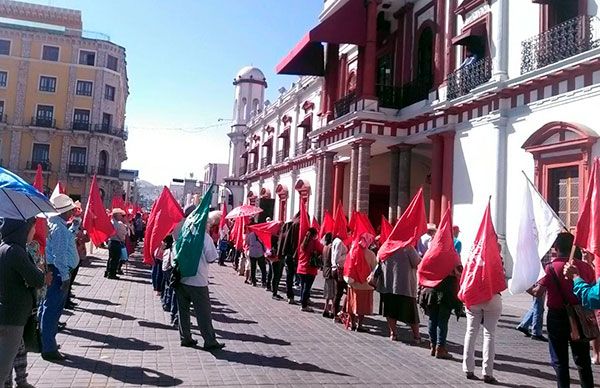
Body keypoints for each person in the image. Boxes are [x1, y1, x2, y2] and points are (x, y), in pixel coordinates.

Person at [537, 233, 595, 387]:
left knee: (560, 361)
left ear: (556, 248)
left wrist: (522, 285)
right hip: (580, 315)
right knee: (583, 360)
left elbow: (538, 292)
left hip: (557, 317)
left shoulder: (550, 268)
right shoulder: (585, 267)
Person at [0, 218, 46, 382]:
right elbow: (36, 279)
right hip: (13, 316)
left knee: (10, 356)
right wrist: (41, 273)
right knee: (4, 364)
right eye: (32, 228)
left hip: (9, 313)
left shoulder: (6, 247)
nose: (34, 232)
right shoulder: (15, 251)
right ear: (23, 230)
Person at [176, 210, 225, 351]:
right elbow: (211, 257)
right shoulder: (204, 237)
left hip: (182, 278)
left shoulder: (184, 234)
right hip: (198, 280)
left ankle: (185, 337)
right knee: (203, 312)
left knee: (183, 311)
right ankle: (209, 340)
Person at [39, 194, 78, 361]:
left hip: (53, 270)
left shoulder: (55, 225)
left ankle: (46, 342)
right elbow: (60, 255)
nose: (72, 213)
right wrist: (65, 276)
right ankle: (48, 347)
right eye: (70, 210)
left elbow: (64, 242)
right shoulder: (59, 228)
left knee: (47, 308)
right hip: (57, 272)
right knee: (52, 310)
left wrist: (74, 228)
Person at [377, 245, 421, 343]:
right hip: (405, 286)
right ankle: (416, 336)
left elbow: (378, 258)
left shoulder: (385, 246)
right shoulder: (408, 248)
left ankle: (393, 333)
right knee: (411, 313)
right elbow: (417, 263)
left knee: (390, 311)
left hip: (388, 285)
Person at [418, 265, 463, 359]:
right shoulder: (451, 255)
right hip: (446, 291)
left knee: (432, 318)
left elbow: (422, 268)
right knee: (442, 320)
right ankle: (440, 348)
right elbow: (459, 272)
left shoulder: (431, 253)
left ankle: (433, 346)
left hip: (432, 289)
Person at [344, 232, 377, 331]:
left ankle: (353, 323)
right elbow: (374, 268)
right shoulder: (371, 254)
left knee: (351, 304)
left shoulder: (352, 252)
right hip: (365, 285)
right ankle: (360, 325)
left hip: (353, 284)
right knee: (362, 307)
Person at [296, 227, 322, 312]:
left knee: (303, 286)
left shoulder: (303, 243)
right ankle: (304, 305)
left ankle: (303, 300)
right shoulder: (314, 243)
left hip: (301, 268)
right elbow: (322, 249)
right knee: (307, 288)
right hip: (309, 269)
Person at [277, 214, 300, 304]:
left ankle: (290, 295)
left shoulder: (284, 232)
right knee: (293, 276)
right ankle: (290, 295)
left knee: (290, 277)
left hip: (287, 256)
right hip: (291, 256)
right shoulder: (290, 232)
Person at [105, 208, 127, 279]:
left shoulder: (110, 222)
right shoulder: (119, 224)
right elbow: (124, 233)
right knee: (115, 259)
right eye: (120, 215)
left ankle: (107, 272)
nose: (121, 216)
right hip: (116, 242)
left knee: (110, 258)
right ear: (116, 215)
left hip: (111, 241)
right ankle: (112, 274)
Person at [331, 233, 349, 319]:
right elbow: (337, 259)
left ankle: (335, 313)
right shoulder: (339, 242)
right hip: (339, 270)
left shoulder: (336, 241)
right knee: (346, 292)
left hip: (336, 269)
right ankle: (340, 312)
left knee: (338, 293)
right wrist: (347, 255)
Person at [245, 222, 267, 287]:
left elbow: (247, 242)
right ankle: (263, 282)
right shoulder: (261, 233)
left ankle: (253, 281)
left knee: (253, 267)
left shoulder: (250, 234)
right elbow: (264, 242)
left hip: (252, 252)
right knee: (263, 268)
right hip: (260, 252)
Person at [321, 233, 336, 318]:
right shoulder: (330, 247)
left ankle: (326, 308)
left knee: (327, 292)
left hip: (326, 270)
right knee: (332, 292)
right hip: (330, 271)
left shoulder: (325, 247)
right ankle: (332, 310)